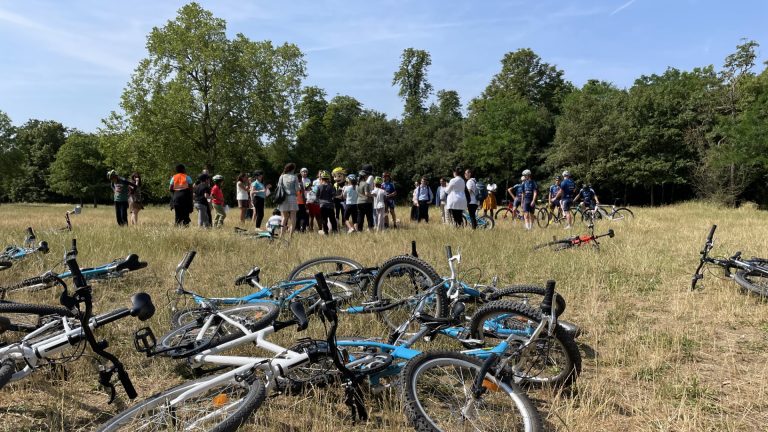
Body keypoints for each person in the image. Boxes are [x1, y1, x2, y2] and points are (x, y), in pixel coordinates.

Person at [277, 163, 302, 239]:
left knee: (284, 217)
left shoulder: (281, 176)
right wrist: (300, 187)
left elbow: (278, 186)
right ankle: (291, 236)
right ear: (293, 169)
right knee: (293, 217)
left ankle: (282, 235)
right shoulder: (294, 177)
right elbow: (297, 189)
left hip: (283, 198)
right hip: (292, 197)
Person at [315, 171, 338, 235]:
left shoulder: (319, 187)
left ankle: (326, 232)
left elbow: (317, 197)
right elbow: (334, 196)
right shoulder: (331, 186)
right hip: (330, 206)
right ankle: (335, 231)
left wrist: (318, 202)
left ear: (321, 179)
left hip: (322, 206)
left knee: (324, 220)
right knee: (332, 219)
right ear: (328, 179)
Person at [296, 167, 311, 232]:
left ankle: (304, 228)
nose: (304, 173)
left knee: (305, 215)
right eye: (303, 172)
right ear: (300, 173)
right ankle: (297, 228)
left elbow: (309, 190)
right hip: (298, 200)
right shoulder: (298, 180)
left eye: (306, 172)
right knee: (298, 215)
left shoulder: (308, 180)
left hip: (306, 199)